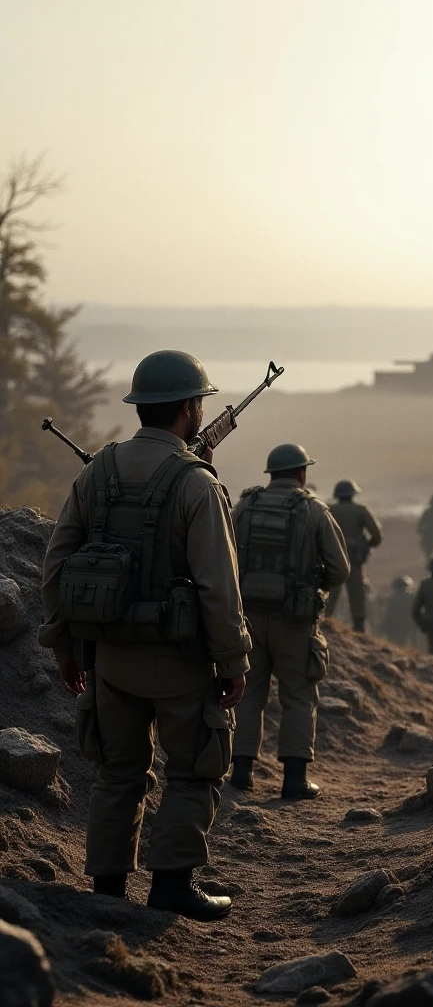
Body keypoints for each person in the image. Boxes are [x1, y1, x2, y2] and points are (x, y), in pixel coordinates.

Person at [39, 350, 252, 921]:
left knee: (118, 772)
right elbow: (218, 584)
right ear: (187, 408)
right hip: (178, 661)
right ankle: (172, 886)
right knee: (194, 768)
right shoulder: (196, 485)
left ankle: (107, 892)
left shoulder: (97, 471)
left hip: (109, 655)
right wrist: (233, 658)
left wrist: (64, 646)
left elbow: (57, 563)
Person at [230, 444, 349, 800]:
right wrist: (312, 589)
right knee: (298, 696)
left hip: (247, 617)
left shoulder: (246, 505)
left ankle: (241, 773)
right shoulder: (314, 510)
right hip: (295, 621)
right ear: (302, 474)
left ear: (271, 474)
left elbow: (226, 554)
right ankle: (294, 780)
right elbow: (340, 569)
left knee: (248, 693)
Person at [325, 479, 382, 632]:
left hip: (333, 557)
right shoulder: (361, 510)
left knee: (331, 590)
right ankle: (359, 626)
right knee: (357, 591)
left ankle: (325, 620)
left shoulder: (328, 510)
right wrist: (367, 546)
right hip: (355, 559)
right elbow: (376, 535)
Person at [380, 575, 417, 647]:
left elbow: (387, 614)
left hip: (394, 626)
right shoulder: (411, 597)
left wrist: (383, 627)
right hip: (406, 625)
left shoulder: (391, 598)